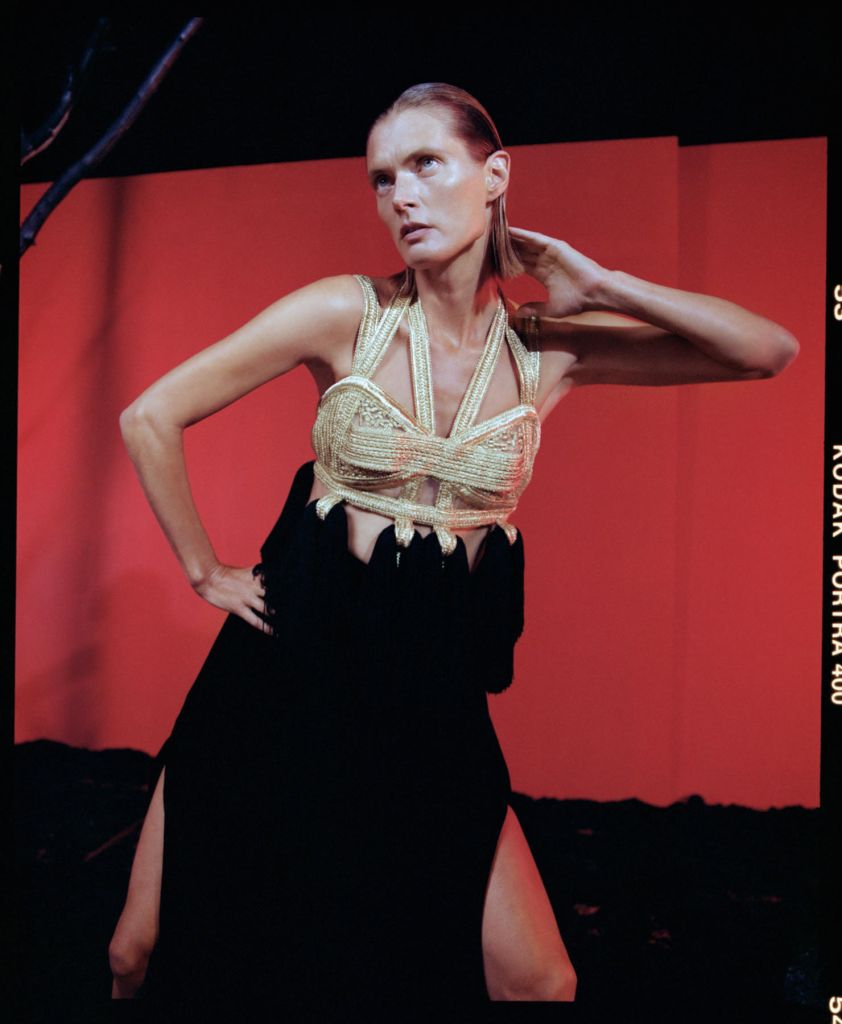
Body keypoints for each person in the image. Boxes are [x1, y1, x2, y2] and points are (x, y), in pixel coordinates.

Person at [107, 82, 799, 1014]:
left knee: (539, 982)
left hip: (427, 691)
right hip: (286, 673)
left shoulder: (548, 348)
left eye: (426, 164)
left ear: (495, 175)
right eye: (382, 178)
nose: (401, 195)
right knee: (139, 950)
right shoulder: (343, 312)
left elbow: (766, 350)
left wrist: (602, 284)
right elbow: (150, 415)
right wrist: (205, 571)